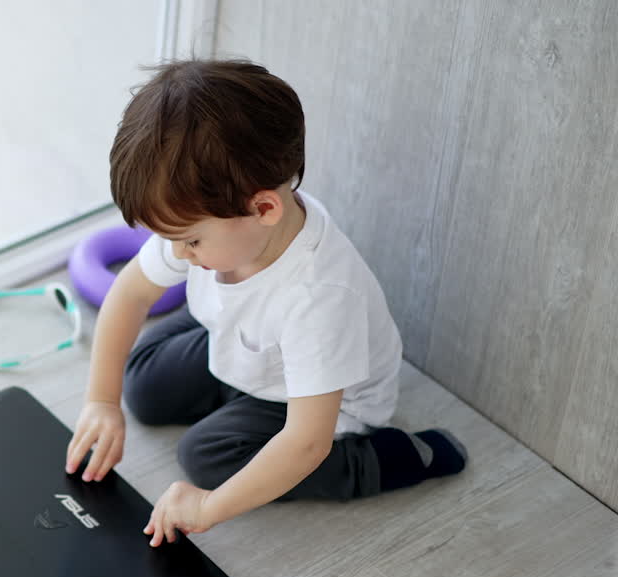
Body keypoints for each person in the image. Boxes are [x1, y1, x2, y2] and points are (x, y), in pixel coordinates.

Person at [63, 58, 467, 548]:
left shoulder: (317, 298)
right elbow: (129, 294)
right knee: (141, 388)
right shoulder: (217, 226)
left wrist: (209, 507)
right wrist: (101, 401)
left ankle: (387, 460)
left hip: (319, 408)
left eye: (189, 242)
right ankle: (218, 391)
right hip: (249, 352)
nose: (177, 253)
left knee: (206, 457)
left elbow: (306, 442)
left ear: (263, 209)